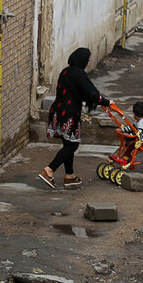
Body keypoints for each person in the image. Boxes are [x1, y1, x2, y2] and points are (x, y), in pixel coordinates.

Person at [39, 47, 109, 189]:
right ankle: (49, 170)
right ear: (83, 60)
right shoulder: (79, 74)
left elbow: (77, 91)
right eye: (88, 61)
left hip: (58, 111)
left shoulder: (65, 71)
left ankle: (70, 176)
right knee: (73, 145)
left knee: (68, 144)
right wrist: (107, 102)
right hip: (69, 113)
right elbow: (91, 93)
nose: (88, 63)